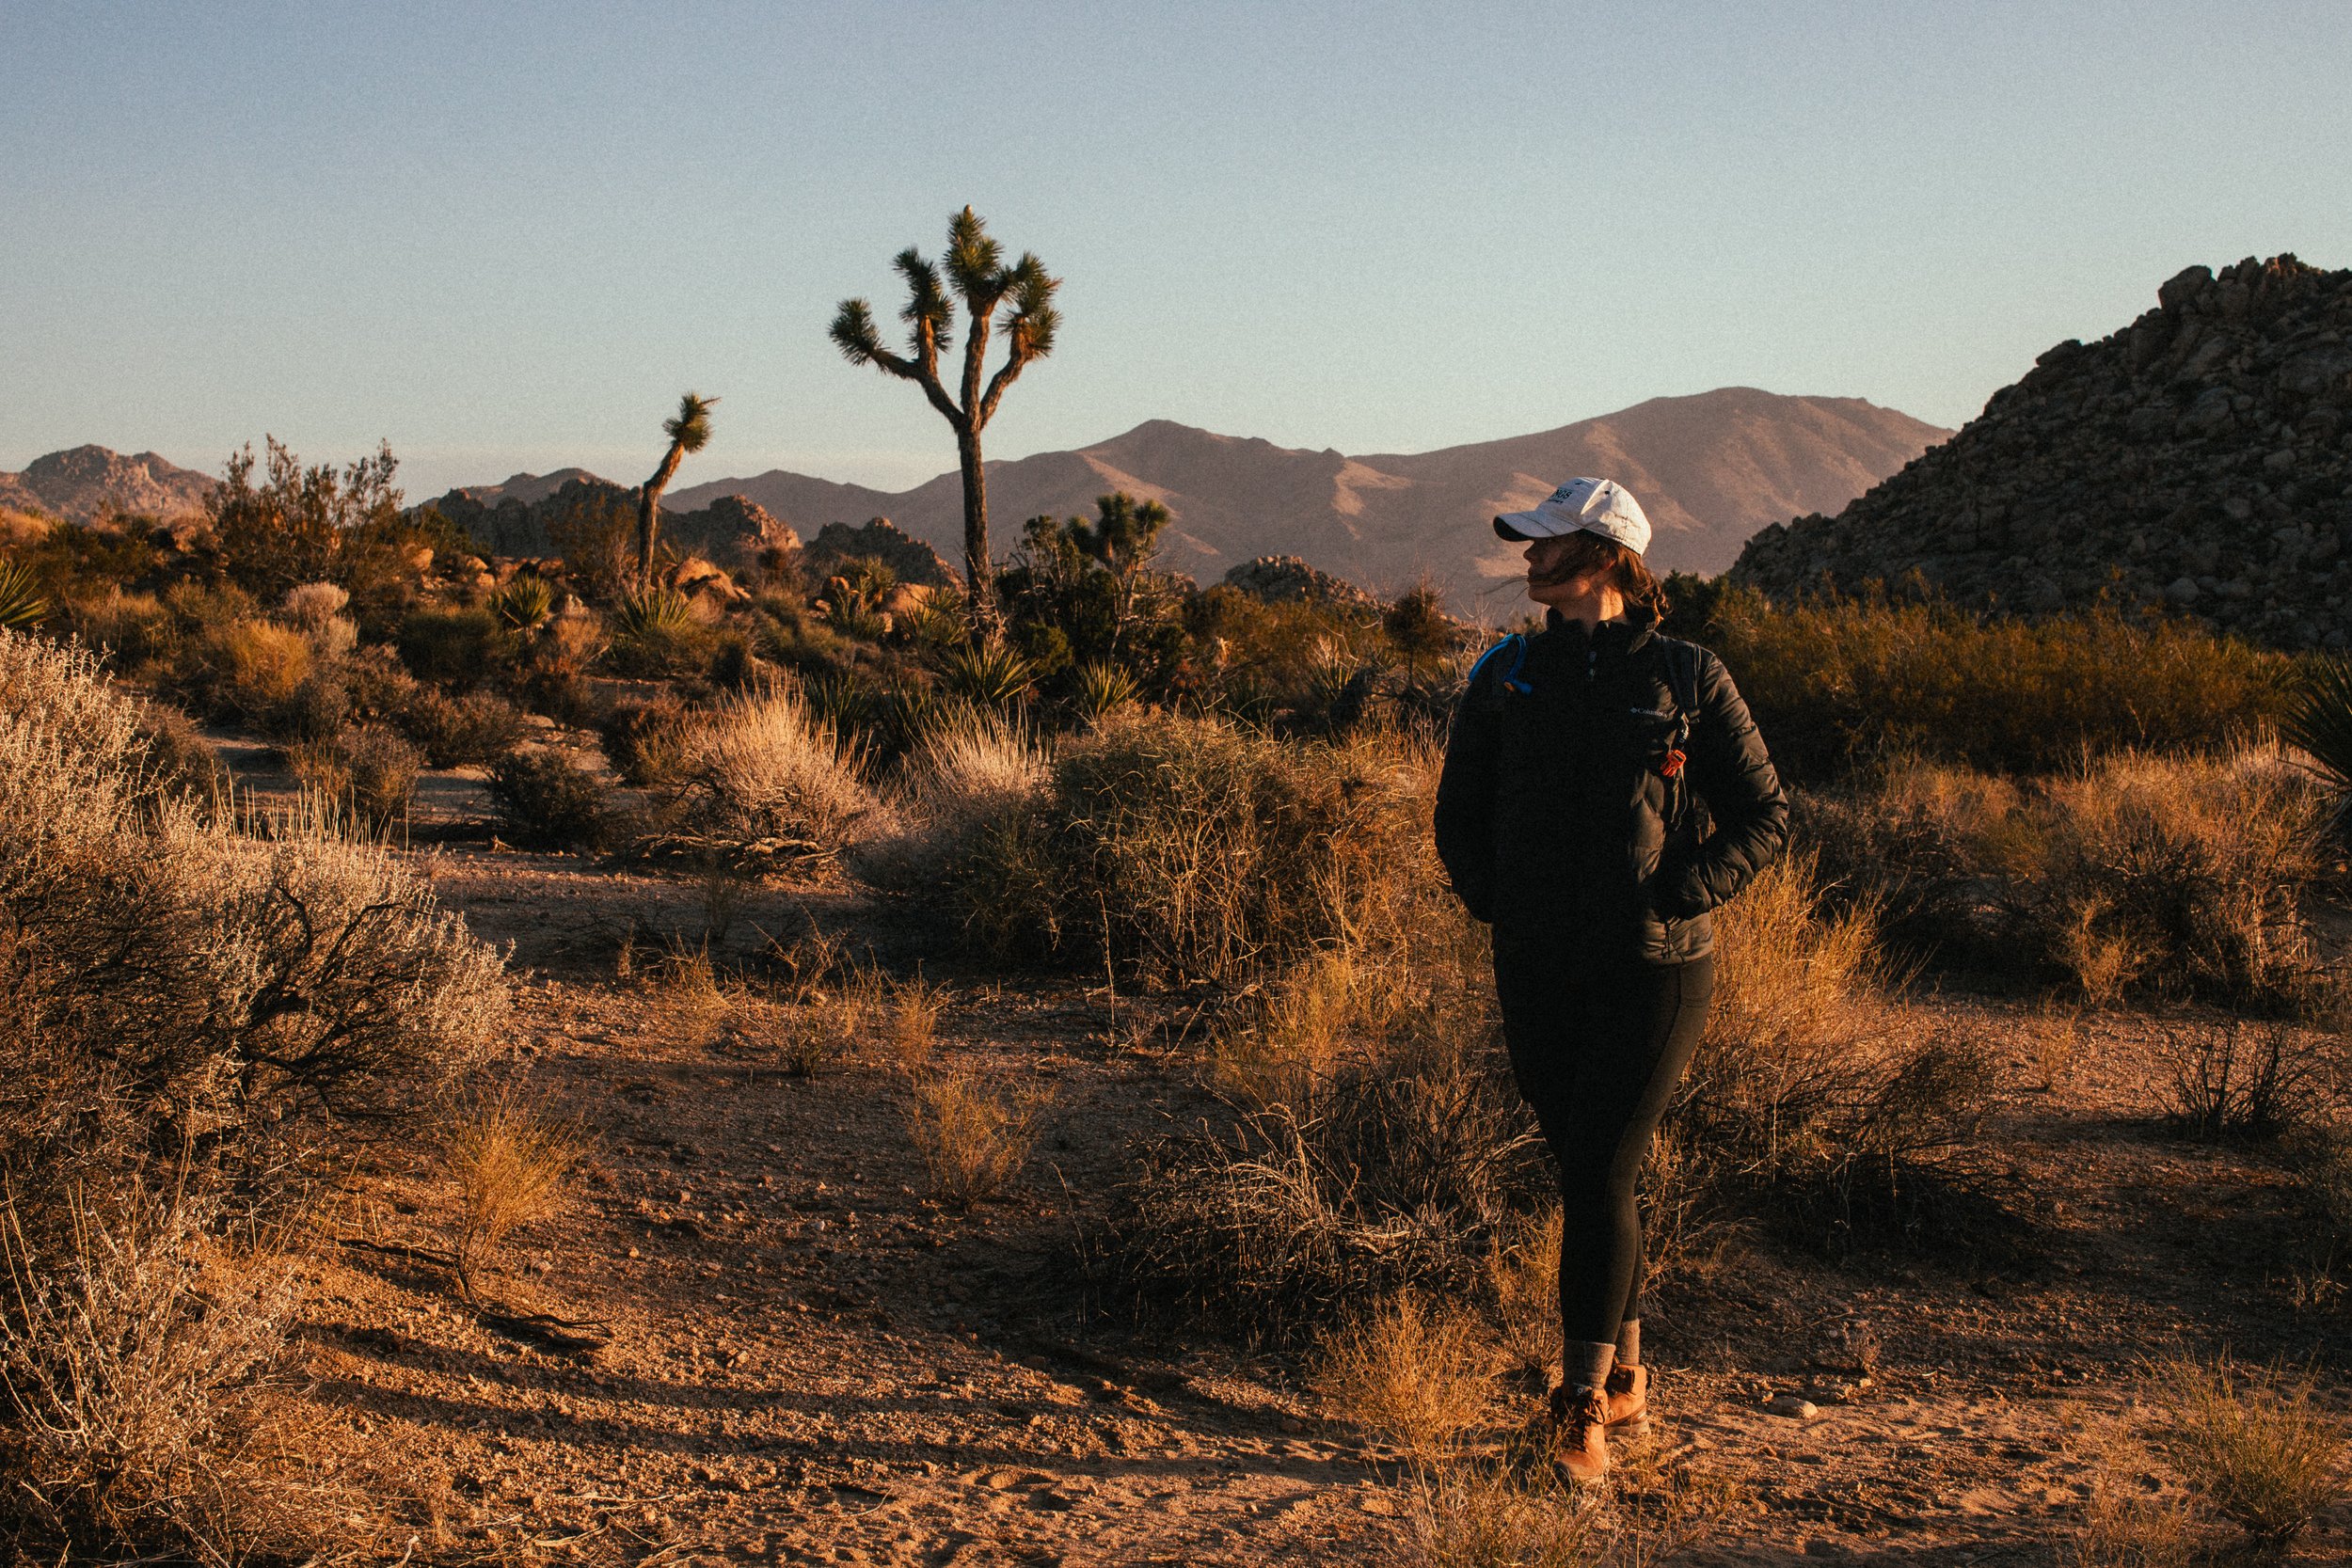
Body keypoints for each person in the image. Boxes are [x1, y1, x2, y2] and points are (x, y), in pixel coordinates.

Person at [1434, 478, 1788, 1482]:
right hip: (1536, 961)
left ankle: (1578, 1399)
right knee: (1588, 1167)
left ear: (1604, 556)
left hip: (1653, 967)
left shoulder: (1685, 674)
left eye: (1546, 544)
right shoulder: (1508, 670)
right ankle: (1630, 1372)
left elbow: (1764, 813)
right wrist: (1491, 896)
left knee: (1598, 1168)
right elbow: (1457, 808)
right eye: (1529, 543)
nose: (1527, 557)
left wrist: (1679, 891)